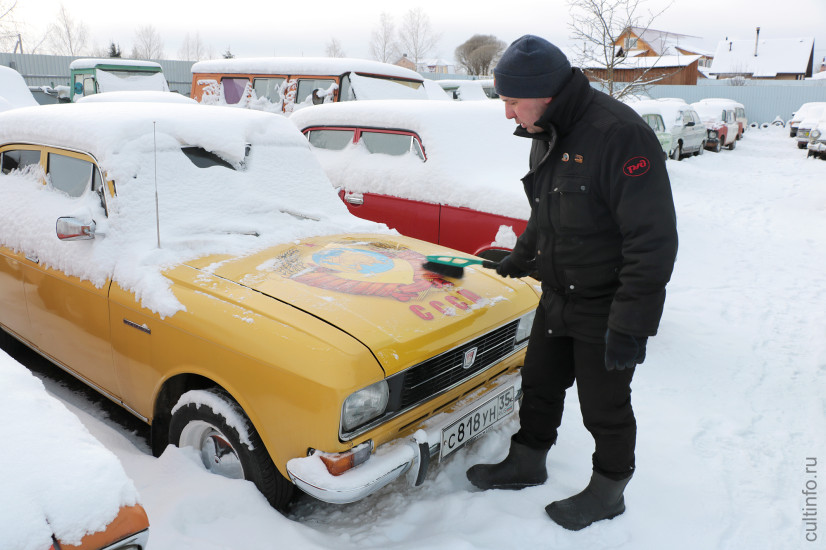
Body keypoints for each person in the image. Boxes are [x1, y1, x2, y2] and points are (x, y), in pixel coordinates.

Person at [465, 35, 678, 531]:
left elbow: (653, 240)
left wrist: (631, 325)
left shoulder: (619, 135)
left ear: (544, 92)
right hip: (559, 293)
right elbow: (546, 210)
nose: (507, 113)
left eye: (512, 102)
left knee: (604, 406)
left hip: (606, 304)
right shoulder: (548, 129)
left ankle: (609, 491)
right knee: (539, 383)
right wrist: (521, 257)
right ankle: (526, 462)